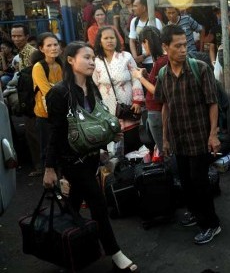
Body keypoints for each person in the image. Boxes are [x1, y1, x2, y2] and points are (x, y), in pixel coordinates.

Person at [42, 41, 137, 272]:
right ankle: (115, 253)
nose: (92, 62)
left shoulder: (91, 88)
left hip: (92, 157)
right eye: (86, 57)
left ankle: (67, 252)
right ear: (71, 60)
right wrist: (50, 168)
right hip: (72, 161)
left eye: (93, 58)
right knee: (98, 203)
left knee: (72, 206)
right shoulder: (59, 92)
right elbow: (54, 132)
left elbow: (96, 121)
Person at [155, 25, 221, 245]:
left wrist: (213, 134)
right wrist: (164, 139)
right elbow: (165, 106)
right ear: (165, 47)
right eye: (178, 46)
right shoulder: (163, 74)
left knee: (199, 182)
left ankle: (211, 224)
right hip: (179, 139)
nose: (184, 49)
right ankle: (195, 212)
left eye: (185, 44)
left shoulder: (200, 69)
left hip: (199, 137)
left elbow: (213, 104)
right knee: (185, 181)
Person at [92, 26, 144, 154]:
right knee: (112, 149)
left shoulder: (126, 56)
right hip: (107, 110)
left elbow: (136, 78)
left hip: (128, 108)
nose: (109, 41)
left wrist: (137, 101)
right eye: (106, 38)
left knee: (133, 146)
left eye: (112, 37)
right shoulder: (96, 61)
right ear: (100, 41)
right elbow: (93, 85)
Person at [11, 23, 42, 177]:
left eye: (19, 36)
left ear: (26, 36)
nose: (16, 39)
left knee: (34, 134)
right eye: (13, 36)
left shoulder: (32, 54)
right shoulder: (21, 53)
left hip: (34, 100)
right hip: (28, 98)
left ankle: (41, 167)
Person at [131, 26, 167, 153]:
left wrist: (140, 77)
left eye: (143, 43)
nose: (143, 47)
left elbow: (158, 91)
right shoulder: (159, 61)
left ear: (146, 41)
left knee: (164, 150)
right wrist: (147, 75)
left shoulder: (161, 61)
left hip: (158, 111)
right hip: (156, 111)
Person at [32, 32, 62, 172]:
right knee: (48, 150)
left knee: (61, 149)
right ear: (41, 49)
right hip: (44, 115)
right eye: (49, 45)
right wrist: (60, 89)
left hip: (60, 112)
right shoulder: (38, 67)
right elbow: (47, 92)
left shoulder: (60, 64)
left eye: (55, 44)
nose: (53, 48)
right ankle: (49, 183)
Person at [129, 0, 163, 72]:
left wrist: (144, 56)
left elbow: (159, 42)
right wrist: (136, 58)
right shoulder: (134, 21)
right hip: (141, 62)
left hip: (154, 60)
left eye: (135, 6)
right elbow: (132, 40)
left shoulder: (155, 21)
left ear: (144, 8)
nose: (133, 8)